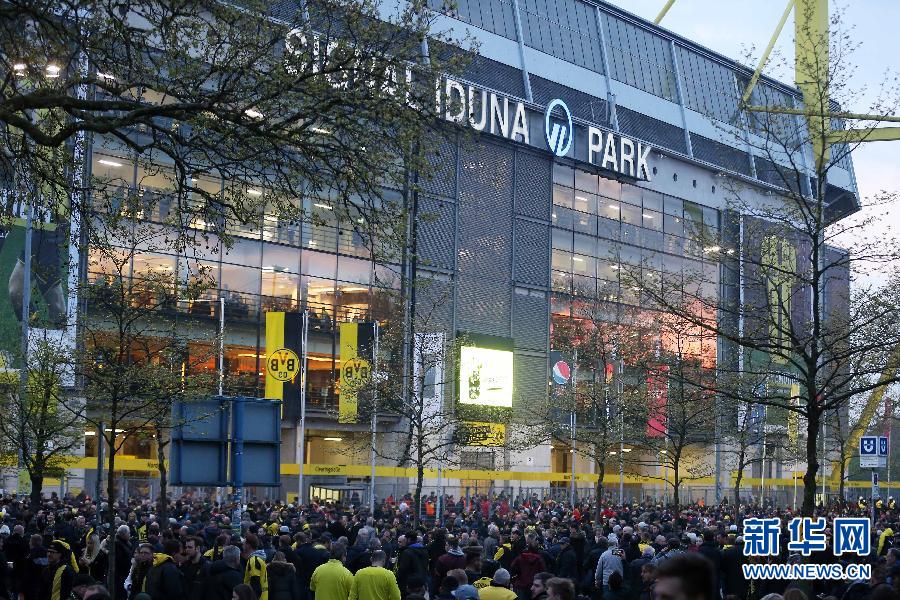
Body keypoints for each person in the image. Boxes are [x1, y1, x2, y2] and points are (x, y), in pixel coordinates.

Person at [180, 536, 209, 600]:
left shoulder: (206, 566)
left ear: (198, 548)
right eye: (186, 547)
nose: (187, 550)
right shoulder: (185, 565)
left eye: (190, 547)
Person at [244, 534, 269, 600]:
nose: (243, 545)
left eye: (244, 543)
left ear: (248, 545)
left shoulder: (254, 560)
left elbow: (255, 583)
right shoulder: (258, 558)